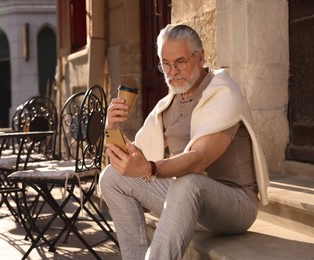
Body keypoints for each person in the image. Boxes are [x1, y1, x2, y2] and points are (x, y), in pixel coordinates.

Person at [99, 24, 269, 260]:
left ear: (200, 58)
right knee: (111, 177)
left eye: (180, 61)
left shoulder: (224, 93)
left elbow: (198, 159)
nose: (172, 71)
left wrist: (150, 168)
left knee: (189, 180)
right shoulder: (169, 104)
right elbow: (135, 158)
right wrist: (112, 127)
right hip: (187, 203)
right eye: (166, 64)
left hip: (235, 206)